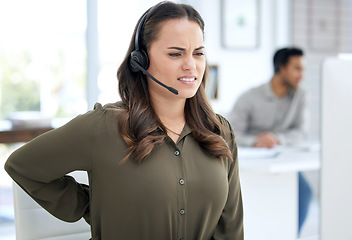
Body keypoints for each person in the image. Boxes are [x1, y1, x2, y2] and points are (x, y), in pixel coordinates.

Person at [4, 2, 244, 239]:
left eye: (198, 53)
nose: (191, 65)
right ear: (140, 59)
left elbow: (230, 229)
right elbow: (23, 166)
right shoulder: (103, 127)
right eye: (175, 53)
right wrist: (90, 205)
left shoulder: (220, 131)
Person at [228, 47, 312, 236]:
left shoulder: (301, 96)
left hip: (283, 160)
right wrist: (255, 141)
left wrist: (277, 139)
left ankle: (291, 235)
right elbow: (230, 133)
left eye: (303, 69)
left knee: (304, 193)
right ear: (281, 68)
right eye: (297, 68)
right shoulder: (249, 97)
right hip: (251, 164)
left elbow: (302, 131)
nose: (302, 75)